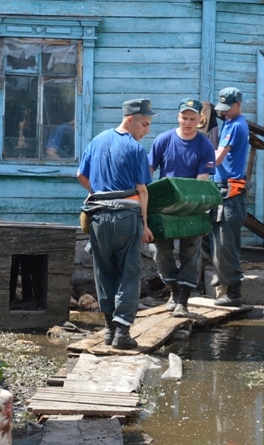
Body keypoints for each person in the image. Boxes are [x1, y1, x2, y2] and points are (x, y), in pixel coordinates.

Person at [77, 99, 156, 349]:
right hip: (126, 217)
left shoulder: (97, 140)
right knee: (129, 273)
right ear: (130, 119)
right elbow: (142, 190)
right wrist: (145, 224)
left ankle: (109, 330)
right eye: (144, 124)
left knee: (104, 272)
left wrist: (99, 193)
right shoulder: (135, 149)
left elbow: (81, 175)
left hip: (98, 217)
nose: (147, 130)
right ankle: (122, 332)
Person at [148, 98, 216, 318]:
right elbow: (149, 170)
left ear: (200, 119)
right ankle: (173, 289)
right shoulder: (163, 140)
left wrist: (192, 205)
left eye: (192, 119)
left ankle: (183, 300)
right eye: (184, 118)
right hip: (164, 207)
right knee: (160, 249)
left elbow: (201, 180)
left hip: (191, 207)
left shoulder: (204, 145)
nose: (188, 122)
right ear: (178, 117)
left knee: (190, 251)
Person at [209, 87, 249, 307]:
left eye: (227, 109)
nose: (224, 113)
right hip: (221, 191)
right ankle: (221, 273)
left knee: (226, 246)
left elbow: (216, 158)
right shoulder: (228, 122)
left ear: (238, 104)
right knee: (210, 240)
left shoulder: (236, 126)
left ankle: (234, 293)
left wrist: (196, 157)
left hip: (231, 194)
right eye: (221, 109)